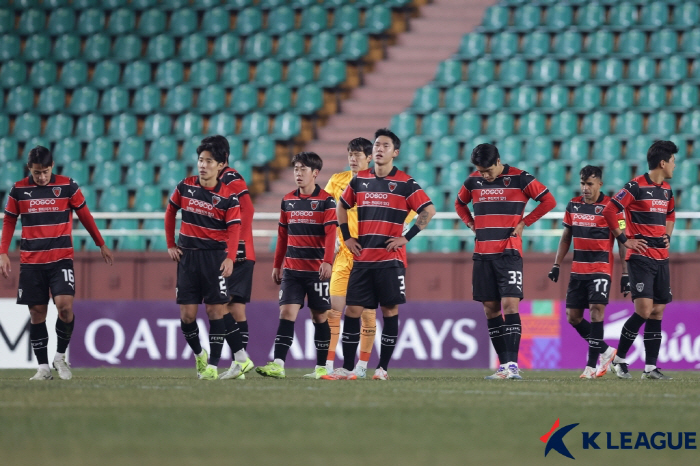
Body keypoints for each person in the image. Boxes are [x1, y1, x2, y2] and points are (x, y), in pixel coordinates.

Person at [327, 128, 436, 381]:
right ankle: (350, 367)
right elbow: (341, 207)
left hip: (390, 261)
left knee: (389, 311)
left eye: (385, 145)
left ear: (395, 152)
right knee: (352, 311)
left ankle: (382, 368)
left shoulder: (406, 183)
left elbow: (428, 211)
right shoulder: (359, 180)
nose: (379, 149)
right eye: (377, 145)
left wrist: (405, 238)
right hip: (362, 260)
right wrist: (347, 235)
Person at [0, 146, 113, 381]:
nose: (41, 177)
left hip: (60, 259)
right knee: (36, 313)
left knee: (65, 307)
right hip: (31, 262)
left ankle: (60, 357)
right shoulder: (18, 190)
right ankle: (43, 368)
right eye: (37, 172)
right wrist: (3, 252)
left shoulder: (68, 186)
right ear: (29, 169)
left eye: (45, 172)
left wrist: (100, 243)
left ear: (53, 166)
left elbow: (85, 215)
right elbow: (10, 221)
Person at [455, 143, 556, 380]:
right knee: (490, 310)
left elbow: (548, 201)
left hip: (508, 253)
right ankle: (503, 365)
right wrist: (470, 223)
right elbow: (459, 203)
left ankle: (512, 365)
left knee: (510, 306)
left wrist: (524, 223)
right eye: (480, 171)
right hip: (482, 254)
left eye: (488, 170)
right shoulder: (472, 181)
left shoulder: (521, 178)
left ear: (498, 162)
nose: (484, 175)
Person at [165, 138, 252, 381]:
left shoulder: (228, 197)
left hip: (214, 258)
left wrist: (231, 258)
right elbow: (170, 211)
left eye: (209, 161)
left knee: (216, 310)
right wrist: (171, 244)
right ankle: (200, 353)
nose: (203, 165)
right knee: (187, 316)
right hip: (187, 257)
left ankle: (213, 366)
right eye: (201, 160)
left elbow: (235, 230)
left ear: (221, 164)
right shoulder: (185, 186)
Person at [255, 152, 337, 380]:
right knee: (286, 312)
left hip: (316, 272)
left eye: (303, 169)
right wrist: (276, 264)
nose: (298, 173)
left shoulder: (326, 200)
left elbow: (331, 233)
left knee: (320, 317)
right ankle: (279, 364)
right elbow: (282, 235)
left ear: (315, 173)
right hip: (292, 269)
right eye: (296, 169)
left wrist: (328, 261)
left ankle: (322, 368)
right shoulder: (288, 200)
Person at [602, 140, 676, 380]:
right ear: (663, 163)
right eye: (673, 161)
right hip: (641, 257)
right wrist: (625, 240)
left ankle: (650, 368)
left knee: (657, 311)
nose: (675, 165)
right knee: (643, 310)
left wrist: (667, 235)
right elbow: (610, 210)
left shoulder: (666, 190)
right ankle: (620, 359)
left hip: (661, 258)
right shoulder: (635, 186)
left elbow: (671, 214)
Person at [547, 165, 627, 379]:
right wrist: (556, 264)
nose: (585, 188)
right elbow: (566, 237)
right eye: (582, 184)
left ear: (600, 184)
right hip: (577, 270)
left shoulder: (613, 207)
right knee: (572, 317)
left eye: (589, 184)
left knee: (595, 312)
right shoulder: (573, 205)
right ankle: (606, 350)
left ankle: (591, 367)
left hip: (600, 269)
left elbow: (622, 241)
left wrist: (626, 273)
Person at [207, 135, 256, 379]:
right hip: (233, 251)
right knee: (234, 307)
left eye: (213, 158)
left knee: (220, 304)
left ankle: (237, 360)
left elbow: (247, 209)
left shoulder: (230, 177)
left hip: (237, 252)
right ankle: (240, 363)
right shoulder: (217, 183)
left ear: (223, 159)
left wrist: (236, 244)